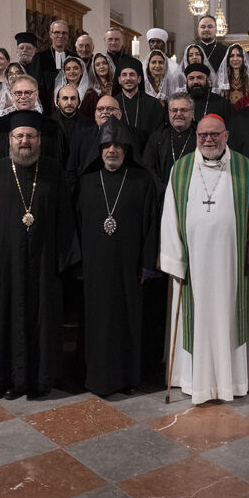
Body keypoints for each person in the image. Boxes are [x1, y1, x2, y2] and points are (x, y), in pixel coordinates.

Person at [160, 114, 249, 403]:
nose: (208, 139)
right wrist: (175, 260)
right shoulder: (180, 169)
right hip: (192, 266)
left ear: (226, 135)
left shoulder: (246, 169)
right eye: (203, 135)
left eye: (215, 134)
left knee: (231, 317)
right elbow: (169, 216)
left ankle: (234, 381)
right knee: (193, 318)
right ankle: (192, 380)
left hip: (232, 266)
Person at [0, 111, 74, 398]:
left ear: (39, 140)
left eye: (30, 136)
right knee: (7, 318)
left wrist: (63, 260)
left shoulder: (53, 170)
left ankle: (42, 379)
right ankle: (8, 380)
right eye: (19, 136)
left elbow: (64, 218)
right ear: (10, 140)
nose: (24, 141)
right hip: (7, 265)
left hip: (44, 263)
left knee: (44, 319)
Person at [74, 120, 161, 397]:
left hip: (129, 267)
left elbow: (151, 225)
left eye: (118, 146)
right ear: (99, 150)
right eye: (107, 146)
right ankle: (96, 377)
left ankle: (127, 378)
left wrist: (147, 265)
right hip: (95, 268)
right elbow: (75, 225)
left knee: (127, 321)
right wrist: (79, 263)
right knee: (97, 322)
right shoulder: (86, 181)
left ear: (127, 149)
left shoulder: (142, 181)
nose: (112, 150)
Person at [143, 92, 197, 187]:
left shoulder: (201, 138)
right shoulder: (157, 137)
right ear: (168, 113)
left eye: (184, 110)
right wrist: (163, 190)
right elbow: (148, 167)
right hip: (161, 193)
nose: (178, 114)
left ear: (192, 113)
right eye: (174, 110)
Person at [114, 58, 166, 153]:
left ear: (139, 79)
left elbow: (158, 133)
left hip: (147, 154)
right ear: (119, 80)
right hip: (119, 154)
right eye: (124, 75)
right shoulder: (113, 104)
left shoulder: (153, 103)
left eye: (132, 74)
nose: (128, 78)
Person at [34, 19, 74, 93]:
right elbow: (36, 84)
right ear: (50, 34)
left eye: (64, 33)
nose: (61, 36)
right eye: (57, 32)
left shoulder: (74, 57)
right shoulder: (40, 57)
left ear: (68, 36)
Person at [81, 52, 115, 122]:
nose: (101, 66)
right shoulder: (90, 91)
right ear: (94, 69)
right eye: (97, 65)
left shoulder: (116, 86)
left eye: (104, 63)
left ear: (109, 65)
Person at [51, 84, 85, 153]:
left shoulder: (89, 124)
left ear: (79, 101)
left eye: (73, 98)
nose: (69, 103)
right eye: (65, 98)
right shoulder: (48, 124)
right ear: (58, 101)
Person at [217, 44, 249, 109]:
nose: (235, 59)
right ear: (228, 59)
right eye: (232, 56)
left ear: (243, 58)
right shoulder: (223, 78)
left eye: (239, 55)